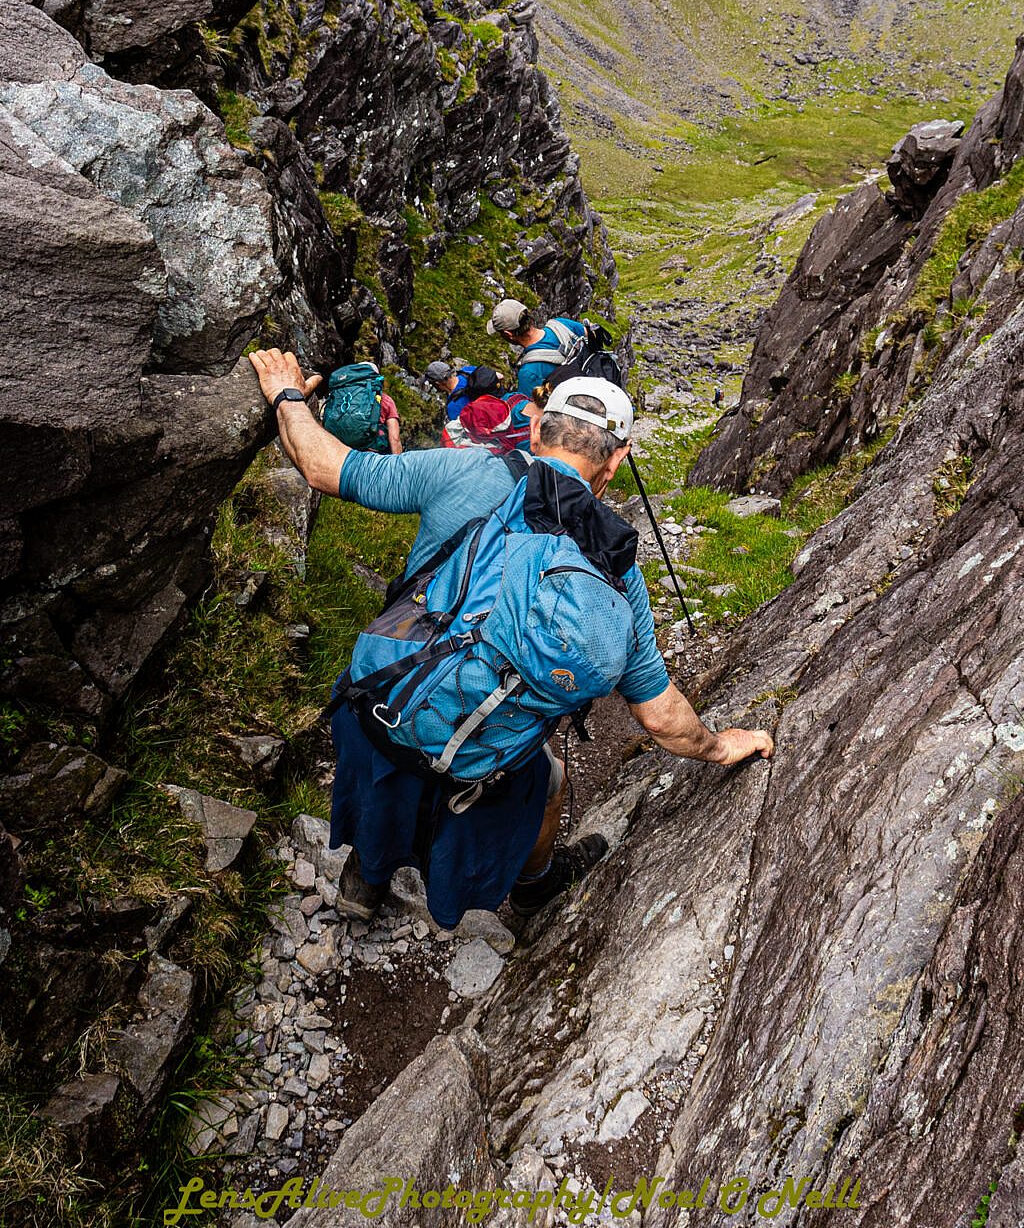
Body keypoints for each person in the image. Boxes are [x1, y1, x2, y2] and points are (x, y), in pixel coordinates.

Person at [248, 347, 774, 929]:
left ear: (533, 425)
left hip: (383, 703)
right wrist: (721, 746)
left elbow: (324, 467)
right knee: (548, 782)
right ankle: (530, 890)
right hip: (482, 762)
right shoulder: (618, 570)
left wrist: (286, 393)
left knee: (386, 747)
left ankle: (364, 880)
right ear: (618, 460)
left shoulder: (466, 470)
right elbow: (658, 715)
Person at [486, 299, 588, 397]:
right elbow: (592, 334)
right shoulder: (561, 324)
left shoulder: (528, 373)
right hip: (601, 383)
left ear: (508, 334)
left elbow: (533, 411)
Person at [424, 360, 498, 421]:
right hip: (503, 404)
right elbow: (499, 375)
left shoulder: (453, 407)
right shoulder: (467, 370)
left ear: (437, 383)